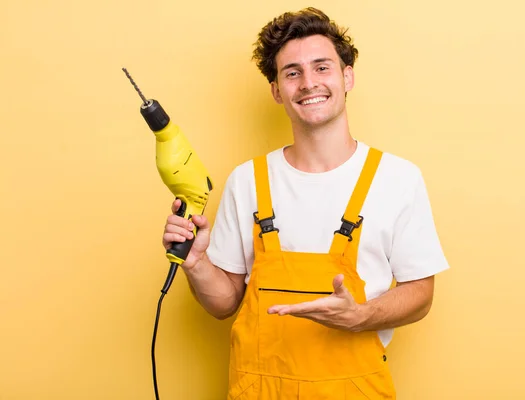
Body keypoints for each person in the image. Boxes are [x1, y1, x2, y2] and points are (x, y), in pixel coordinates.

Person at [162, 7, 449, 399]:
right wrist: (196, 264)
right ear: (277, 90)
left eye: (322, 67)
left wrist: (361, 316)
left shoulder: (397, 179)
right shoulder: (246, 181)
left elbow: (421, 293)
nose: (308, 83)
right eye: (292, 72)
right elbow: (224, 303)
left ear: (347, 75)